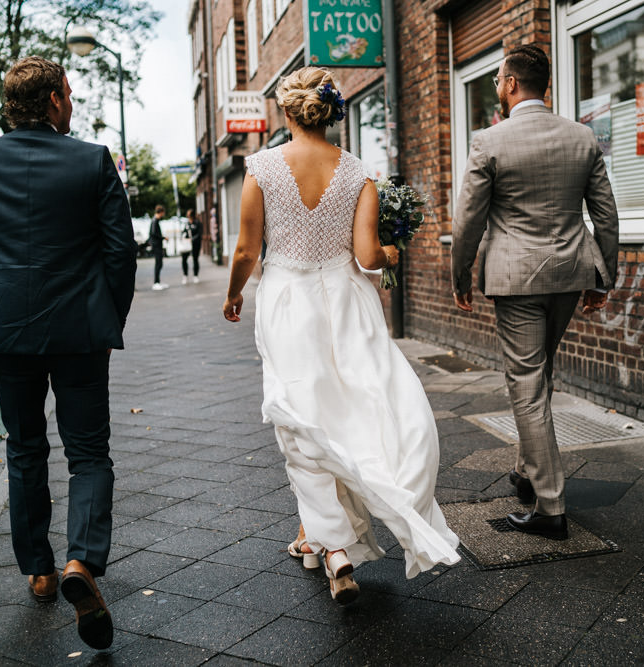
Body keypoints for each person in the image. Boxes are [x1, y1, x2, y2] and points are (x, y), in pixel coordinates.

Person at [222, 67, 461, 604]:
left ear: (287, 113)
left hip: (288, 301)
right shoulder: (358, 173)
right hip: (348, 301)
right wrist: (391, 252)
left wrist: (234, 293)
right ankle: (326, 537)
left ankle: (333, 548)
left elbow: (245, 250)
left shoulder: (260, 167)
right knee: (355, 408)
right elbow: (367, 256)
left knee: (301, 417)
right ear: (330, 113)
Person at [0, 56, 137, 650]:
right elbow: (119, 253)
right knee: (89, 453)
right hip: (78, 331)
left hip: (9, 331)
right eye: (68, 95)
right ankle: (82, 561)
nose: (72, 104)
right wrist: (107, 314)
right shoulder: (92, 160)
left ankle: (41, 571)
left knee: (24, 448)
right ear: (52, 101)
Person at [450, 45, 619, 540]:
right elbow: (605, 215)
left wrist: (460, 275)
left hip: (516, 279)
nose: (497, 87)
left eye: (498, 81)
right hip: (569, 274)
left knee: (526, 384)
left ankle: (550, 507)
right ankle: (526, 472)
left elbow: (468, 222)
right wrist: (602, 276)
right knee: (539, 374)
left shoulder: (489, 141)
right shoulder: (582, 137)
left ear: (509, 84)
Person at [180, 209, 203, 284]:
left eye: (189, 216)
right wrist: (183, 237)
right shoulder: (187, 224)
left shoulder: (198, 223)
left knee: (195, 259)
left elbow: (199, 234)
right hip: (187, 244)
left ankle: (195, 276)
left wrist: (192, 239)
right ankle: (185, 275)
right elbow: (184, 232)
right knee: (184, 260)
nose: (188, 217)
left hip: (195, 244)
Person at [149, 204, 168, 290]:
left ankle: (158, 282)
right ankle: (156, 283)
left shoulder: (155, 220)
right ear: (161, 212)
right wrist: (163, 237)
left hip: (157, 245)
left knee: (159, 263)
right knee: (158, 263)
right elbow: (153, 233)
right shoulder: (155, 221)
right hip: (156, 245)